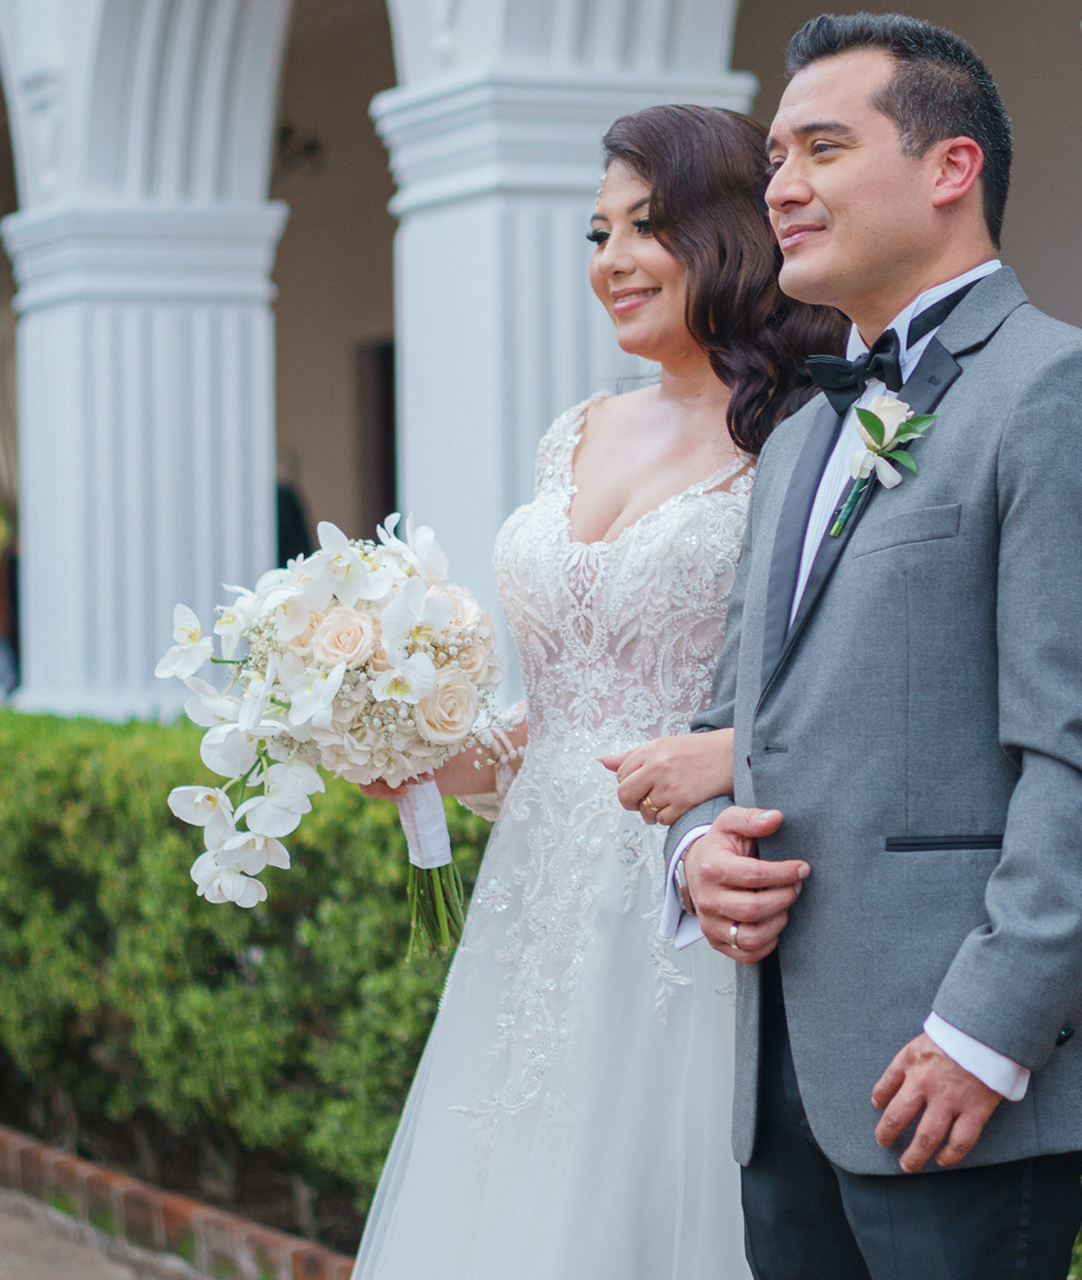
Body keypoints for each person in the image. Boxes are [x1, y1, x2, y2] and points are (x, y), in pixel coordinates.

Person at [648, 15, 1082, 1280]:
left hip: (955, 1081)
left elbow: (1080, 766)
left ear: (951, 167)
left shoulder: (1061, 389)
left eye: (823, 148)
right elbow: (733, 724)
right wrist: (697, 851)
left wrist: (987, 1034)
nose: (781, 186)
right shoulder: (794, 440)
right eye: (775, 157)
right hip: (781, 1080)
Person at [350, 104, 846, 1279]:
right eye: (598, 231)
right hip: (538, 894)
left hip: (687, 890)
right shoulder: (574, 432)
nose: (613, 259)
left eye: (647, 226)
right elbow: (564, 712)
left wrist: (729, 755)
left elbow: (838, 676)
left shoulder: (805, 434)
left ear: (731, 233)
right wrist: (418, 751)